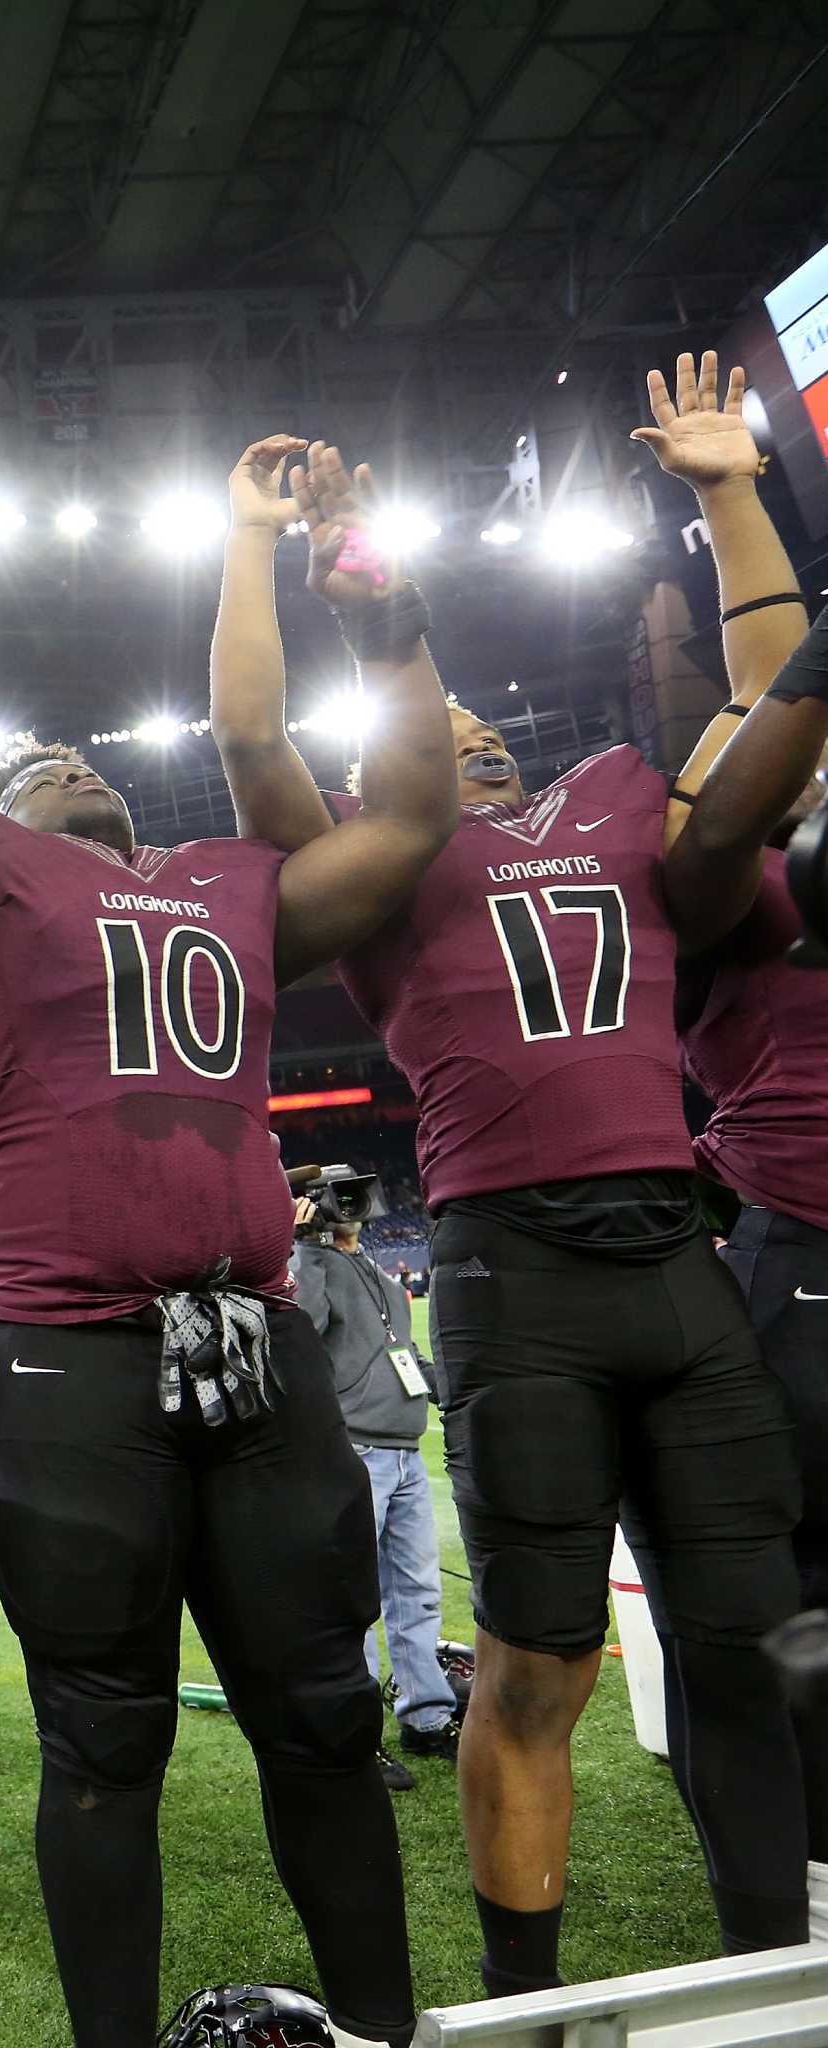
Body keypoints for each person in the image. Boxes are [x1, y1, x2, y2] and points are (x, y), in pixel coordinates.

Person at [0, 405, 462, 2048]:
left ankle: (380, 2025)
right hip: (72, 1355)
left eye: (86, 755)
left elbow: (417, 812)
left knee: (318, 1710)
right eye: (36, 762)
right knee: (104, 1741)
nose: (72, 756)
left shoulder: (227, 880)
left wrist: (367, 601)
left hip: (256, 1337)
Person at [237, 357, 825, 1991]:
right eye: (433, 733)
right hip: (517, 1275)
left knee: (750, 1646)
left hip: (678, 1256)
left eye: (486, 724)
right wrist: (328, 557)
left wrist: (726, 486)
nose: (470, 735)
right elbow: (249, 742)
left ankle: (772, 1979)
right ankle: (530, 2005)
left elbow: (778, 712)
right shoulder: (382, 861)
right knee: (534, 1663)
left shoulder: (625, 797)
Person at [675, 706, 828, 1927]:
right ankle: (809, 1890)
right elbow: (729, 777)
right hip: (801, 1240)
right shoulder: (724, 881)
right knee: (788, 1594)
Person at [290, 1202, 453, 1788]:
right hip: (355, 1450)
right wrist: (307, 1244)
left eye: (355, 1193)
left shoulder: (384, 1278)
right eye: (337, 1194)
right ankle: (356, 1735)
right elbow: (301, 1330)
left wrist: (443, 1386)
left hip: (405, 1449)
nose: (348, 1206)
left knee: (417, 1592)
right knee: (353, 1599)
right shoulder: (310, 1267)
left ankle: (427, 1717)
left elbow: (399, 1354)